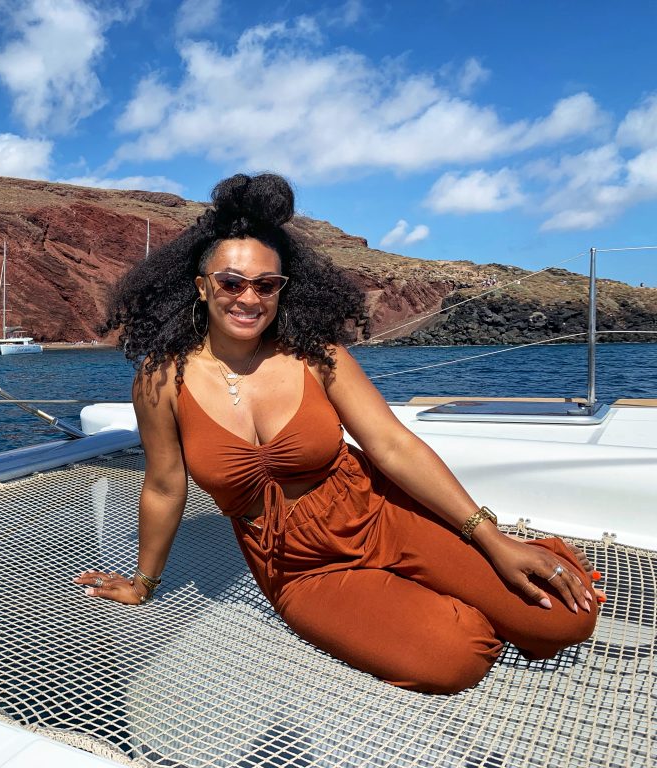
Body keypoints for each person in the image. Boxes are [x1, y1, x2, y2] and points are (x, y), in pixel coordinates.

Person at [74, 173, 598, 693]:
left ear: (283, 290)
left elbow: (392, 445)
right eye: (232, 282)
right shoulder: (162, 378)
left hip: (380, 512)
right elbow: (165, 485)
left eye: (266, 285)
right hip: (299, 567)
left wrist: (493, 541)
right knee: (453, 659)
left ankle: (492, 573)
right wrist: (144, 582)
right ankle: (449, 604)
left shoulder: (315, 353)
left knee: (565, 621)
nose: (248, 298)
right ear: (202, 286)